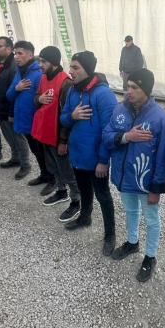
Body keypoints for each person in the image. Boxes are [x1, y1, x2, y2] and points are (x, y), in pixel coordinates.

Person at [102, 68, 165, 282]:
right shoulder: (119, 110)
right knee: (130, 211)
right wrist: (126, 136)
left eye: (134, 87)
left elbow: (164, 157)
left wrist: (157, 186)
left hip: (146, 182)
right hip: (124, 177)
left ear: (147, 89)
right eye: (127, 85)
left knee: (152, 219)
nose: (128, 90)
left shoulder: (163, 119)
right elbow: (106, 136)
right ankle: (132, 242)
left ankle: (150, 256)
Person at [60, 51, 118, 256]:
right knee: (85, 190)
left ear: (88, 69)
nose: (71, 71)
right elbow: (63, 119)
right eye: (71, 67)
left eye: (76, 67)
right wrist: (73, 115)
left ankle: (110, 234)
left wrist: (104, 161)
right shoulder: (73, 91)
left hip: (96, 159)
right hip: (77, 154)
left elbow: (109, 131)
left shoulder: (103, 94)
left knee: (103, 196)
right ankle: (85, 217)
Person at [31, 46, 81, 223]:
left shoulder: (65, 82)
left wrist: (63, 141)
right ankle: (61, 191)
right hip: (44, 132)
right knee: (53, 166)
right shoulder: (43, 77)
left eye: (43, 61)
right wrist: (39, 99)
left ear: (53, 62)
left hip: (57, 136)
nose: (40, 64)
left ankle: (76, 200)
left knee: (66, 169)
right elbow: (36, 98)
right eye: (40, 61)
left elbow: (68, 115)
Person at [7, 41, 55, 191]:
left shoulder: (39, 74)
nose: (16, 57)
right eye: (15, 53)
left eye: (20, 53)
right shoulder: (19, 73)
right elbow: (9, 96)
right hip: (25, 121)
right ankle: (44, 174)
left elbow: (45, 101)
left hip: (37, 122)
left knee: (45, 152)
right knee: (36, 151)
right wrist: (17, 87)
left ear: (29, 55)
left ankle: (53, 179)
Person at [0, 37, 23, 171]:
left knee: (17, 138)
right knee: (8, 137)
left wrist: (11, 112)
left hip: (8, 110)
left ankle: (24, 163)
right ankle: (15, 157)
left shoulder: (13, 66)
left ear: (8, 49)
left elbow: (14, 93)